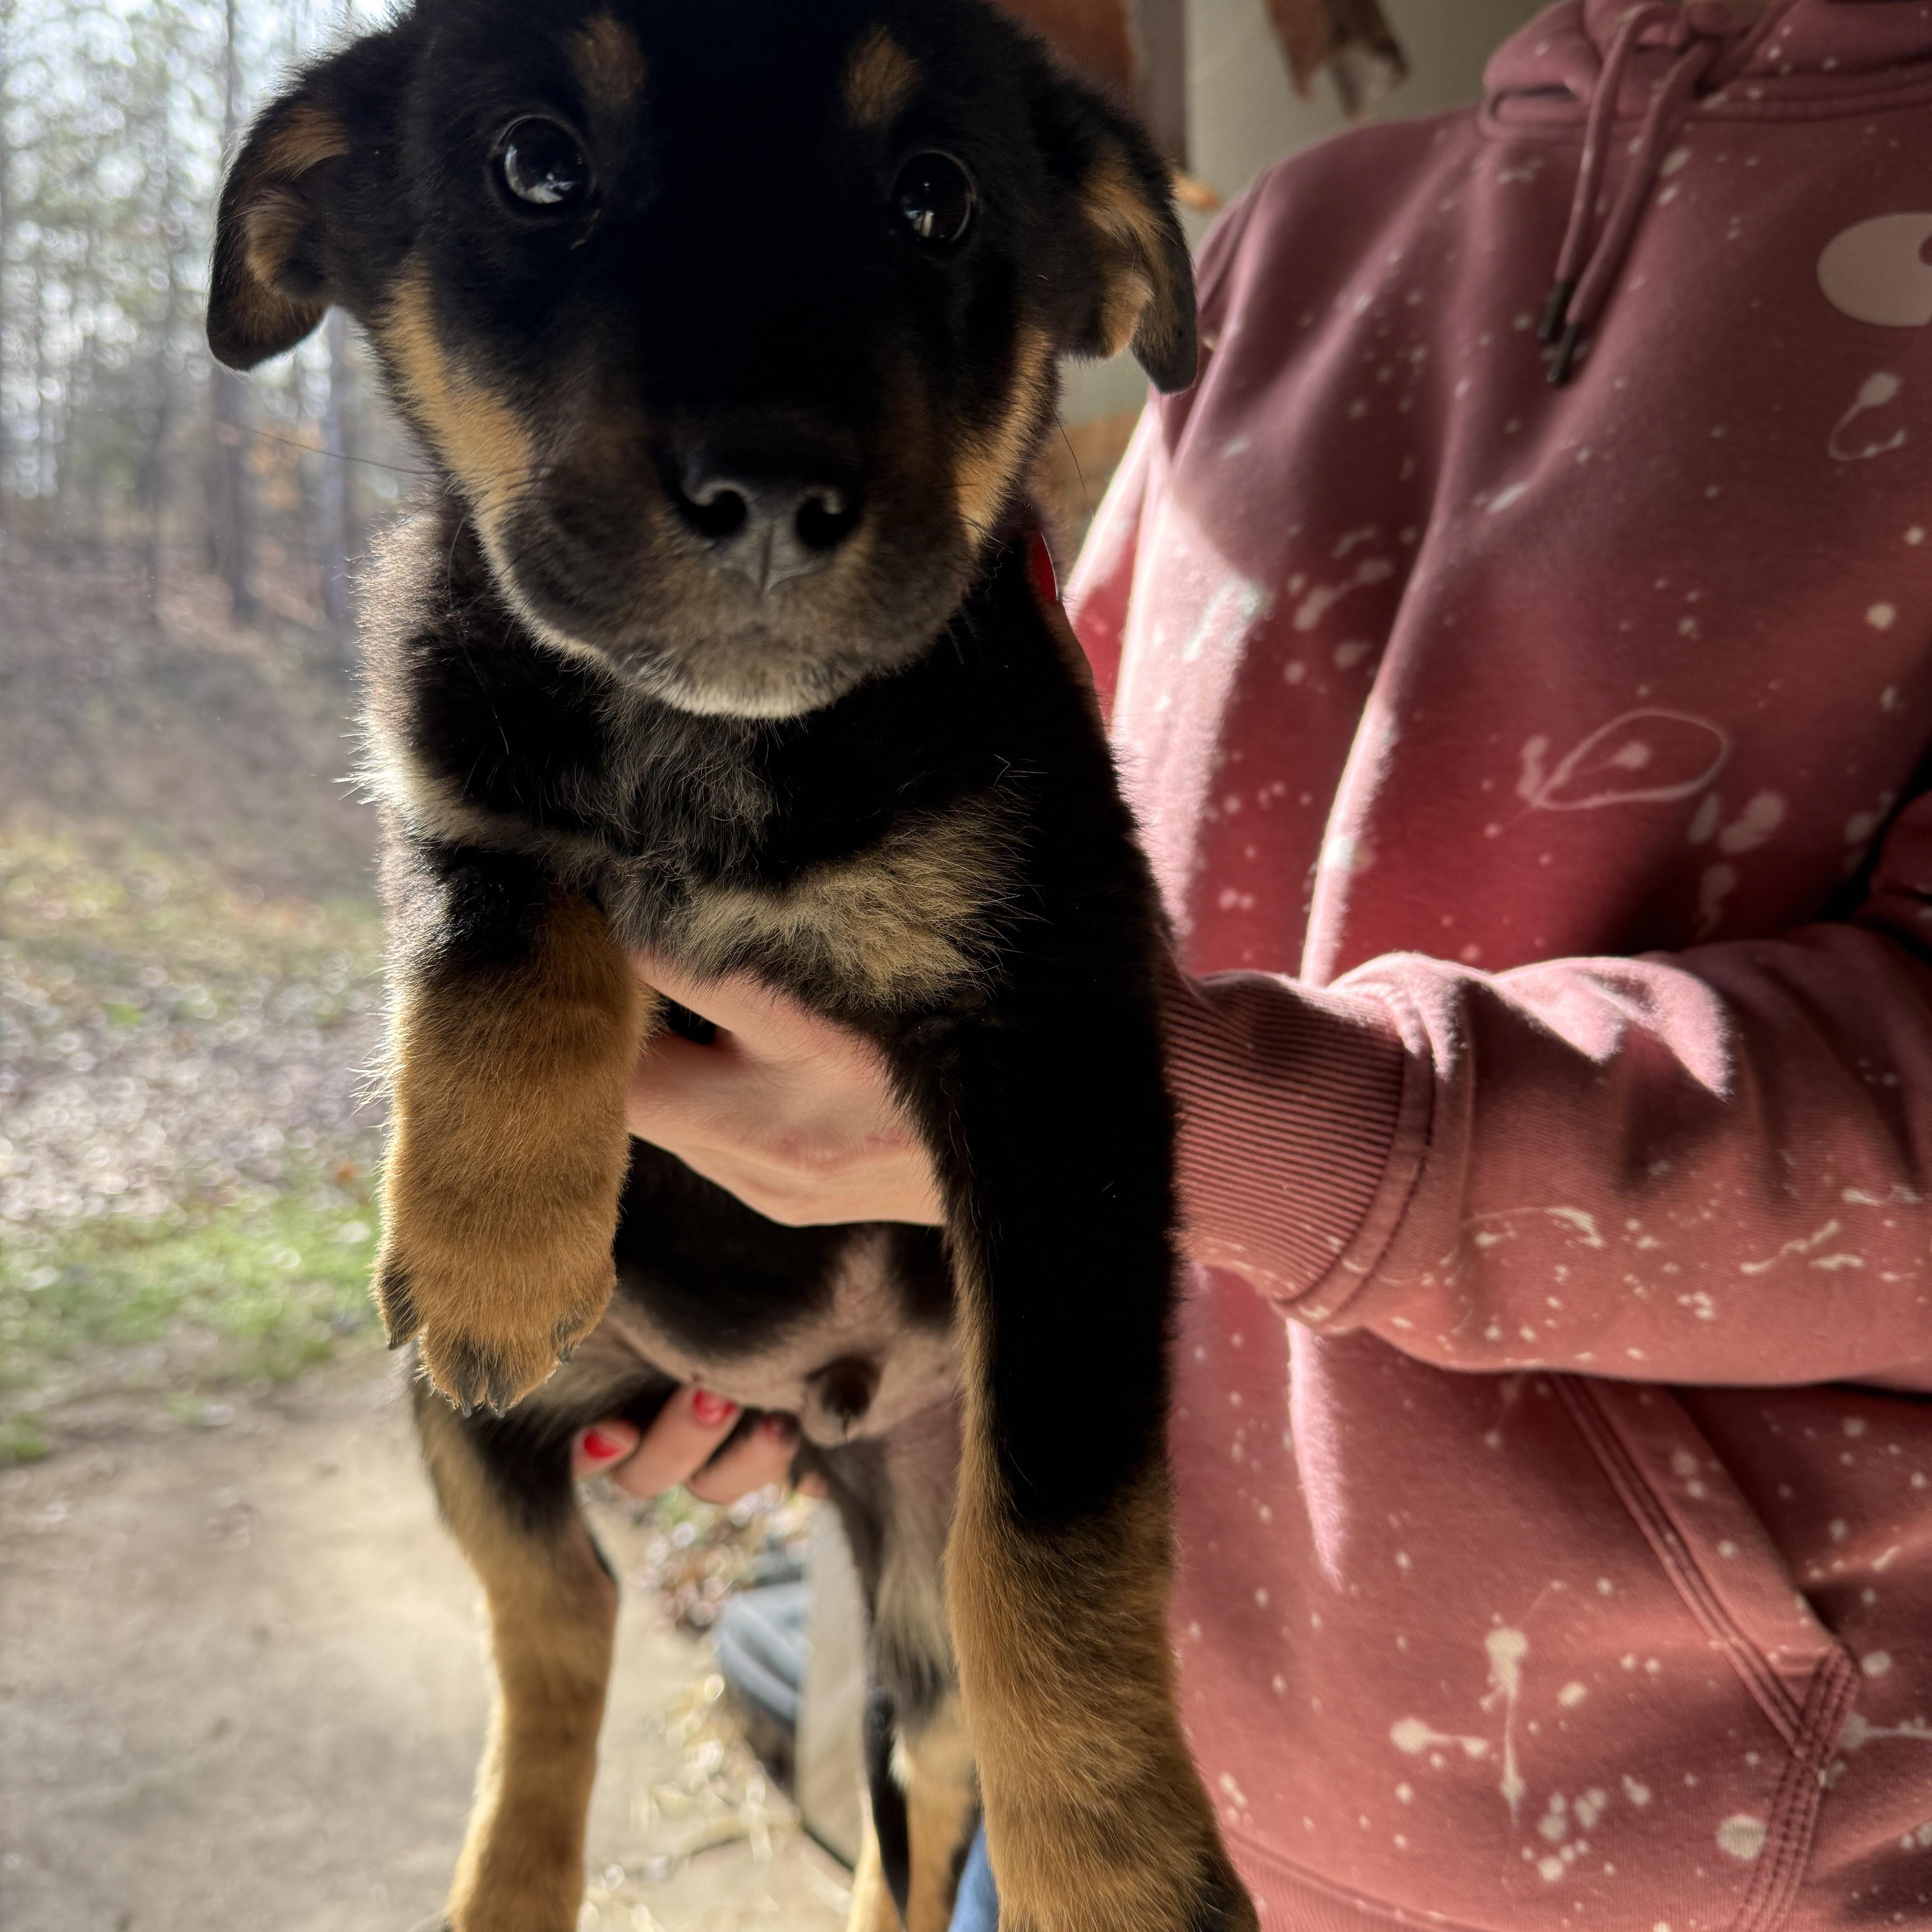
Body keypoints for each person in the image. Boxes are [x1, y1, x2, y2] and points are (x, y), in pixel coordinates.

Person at [574, 0, 1932, 1923]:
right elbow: (1072, 902)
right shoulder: (1298, 239)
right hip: (1093, 1794)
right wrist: (860, 1350)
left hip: (1696, 1873)